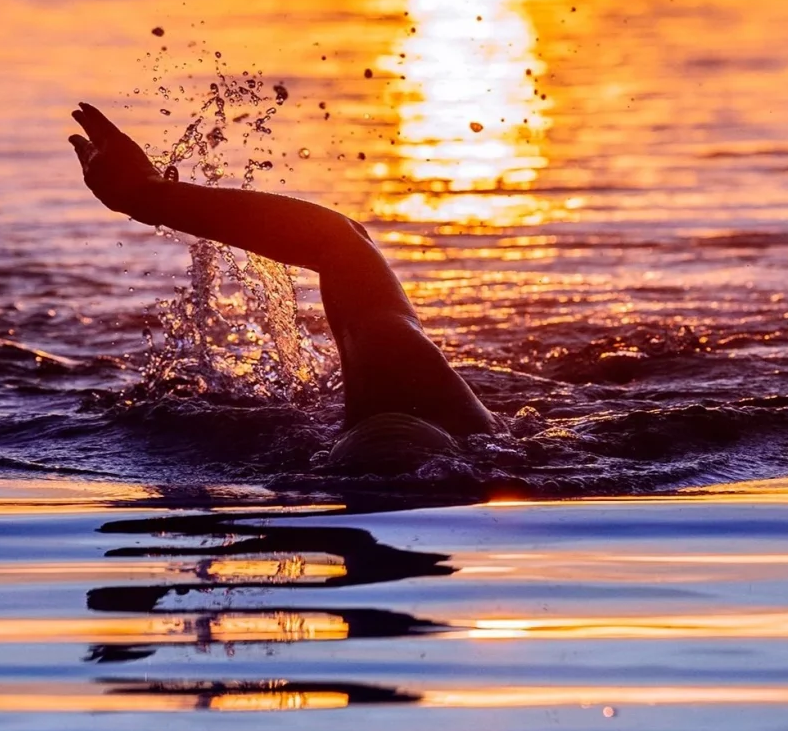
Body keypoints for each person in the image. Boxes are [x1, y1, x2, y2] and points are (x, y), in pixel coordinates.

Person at [69, 102, 498, 463]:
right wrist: (147, 196)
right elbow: (339, 244)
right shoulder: (405, 369)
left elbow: (338, 242)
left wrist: (146, 195)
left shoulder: (407, 386)